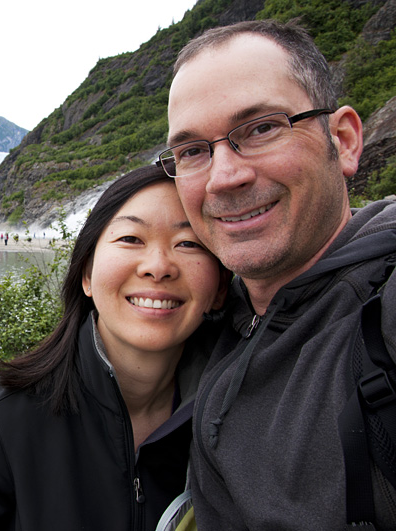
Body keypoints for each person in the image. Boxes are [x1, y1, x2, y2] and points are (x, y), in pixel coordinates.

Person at [159, 19, 396, 529]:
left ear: (345, 140)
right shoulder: (212, 312)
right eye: (193, 151)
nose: (225, 177)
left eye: (262, 128)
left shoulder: (382, 311)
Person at [0, 164, 228, 530]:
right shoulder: (4, 415)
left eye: (189, 244)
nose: (158, 266)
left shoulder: (239, 416)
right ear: (87, 274)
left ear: (221, 287)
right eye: (131, 238)